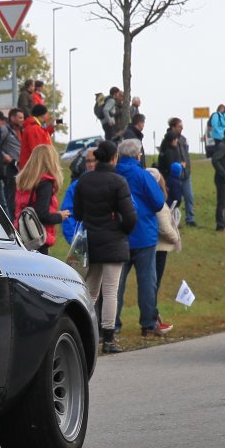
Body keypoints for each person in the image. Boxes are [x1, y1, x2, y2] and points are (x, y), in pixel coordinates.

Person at [72, 140, 135, 354]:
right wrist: (122, 229)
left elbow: (78, 213)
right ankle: (108, 338)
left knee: (91, 291)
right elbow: (130, 216)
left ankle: (86, 335)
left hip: (91, 241)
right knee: (110, 291)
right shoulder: (118, 182)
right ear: (114, 158)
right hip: (114, 241)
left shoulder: (84, 181)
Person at [114, 138, 170, 337]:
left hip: (118, 235)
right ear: (138, 155)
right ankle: (148, 323)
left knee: (116, 284)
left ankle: (111, 324)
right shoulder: (143, 175)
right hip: (144, 234)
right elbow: (158, 202)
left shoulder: (113, 174)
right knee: (147, 281)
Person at [15, 144, 70, 255]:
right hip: (38, 236)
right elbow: (42, 214)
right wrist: (60, 216)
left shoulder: (24, 182)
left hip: (23, 233)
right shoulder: (45, 184)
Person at [147, 167, 182, 297]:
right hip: (159, 247)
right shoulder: (158, 202)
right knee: (154, 283)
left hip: (151, 246)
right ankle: (152, 308)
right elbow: (164, 228)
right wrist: (175, 238)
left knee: (151, 282)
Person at [0, 109, 24, 215]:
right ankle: (10, 217)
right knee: (11, 194)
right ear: (12, 118)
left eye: (23, 117)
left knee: (18, 195)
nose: (22, 120)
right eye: (20, 117)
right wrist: (5, 156)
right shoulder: (5, 130)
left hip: (21, 167)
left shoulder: (22, 130)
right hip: (10, 167)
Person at [19, 104, 54, 168]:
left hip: (33, 166)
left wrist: (51, 127)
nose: (48, 116)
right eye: (47, 114)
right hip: (33, 167)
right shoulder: (34, 128)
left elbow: (43, 136)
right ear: (42, 115)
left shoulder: (35, 126)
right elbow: (37, 149)